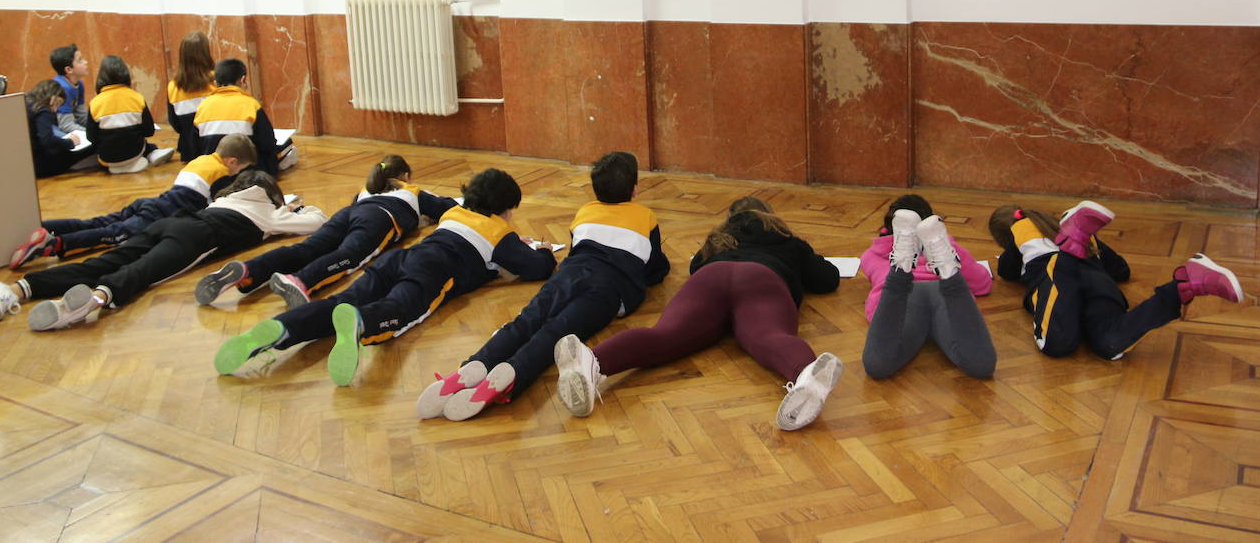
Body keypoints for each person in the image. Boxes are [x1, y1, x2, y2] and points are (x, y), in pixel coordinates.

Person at [212, 168, 555, 386]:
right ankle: (362, 322)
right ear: (505, 208)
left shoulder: (455, 210)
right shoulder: (501, 233)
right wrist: (537, 250)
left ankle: (285, 327)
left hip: (401, 257)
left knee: (339, 302)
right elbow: (538, 268)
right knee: (401, 308)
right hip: (436, 270)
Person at [552, 196, 843, 431]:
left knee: (663, 335)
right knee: (771, 336)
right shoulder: (785, 238)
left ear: (729, 219)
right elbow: (827, 279)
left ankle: (592, 361)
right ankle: (805, 375)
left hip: (710, 277)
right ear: (769, 215)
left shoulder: (719, 236)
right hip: (763, 279)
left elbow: (695, 268)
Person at [418, 151, 668, 422]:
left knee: (527, 319)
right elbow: (655, 270)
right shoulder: (646, 217)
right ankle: (512, 376)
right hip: (607, 288)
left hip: (570, 274)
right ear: (634, 189)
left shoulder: (585, 213)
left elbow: (577, 248)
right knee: (556, 331)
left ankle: (472, 366)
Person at [0, 170, 325, 328]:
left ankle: (14, 290)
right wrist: (291, 210)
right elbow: (317, 221)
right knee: (141, 274)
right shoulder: (270, 215)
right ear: (274, 194)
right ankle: (87, 304)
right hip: (195, 239)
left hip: (172, 223)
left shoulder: (228, 196)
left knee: (108, 259)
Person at [989, 200, 1244, 360]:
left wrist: (1012, 250)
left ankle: (1065, 258)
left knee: (1057, 344)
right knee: (1110, 343)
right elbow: (1121, 270)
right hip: (1098, 283)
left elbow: (1006, 272)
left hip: (1058, 284)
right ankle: (1186, 285)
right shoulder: (1085, 235)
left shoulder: (1020, 236)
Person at [195, 154, 457, 308]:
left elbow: (358, 213)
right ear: (407, 175)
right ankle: (302, 281)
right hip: (380, 219)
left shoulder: (365, 191)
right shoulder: (414, 191)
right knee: (349, 256)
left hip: (347, 213)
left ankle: (251, 270)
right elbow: (448, 208)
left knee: (307, 248)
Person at [9, 134, 257, 268]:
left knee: (101, 221)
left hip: (153, 202)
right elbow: (219, 204)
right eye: (240, 168)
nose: (236, 173)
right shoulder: (222, 174)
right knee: (112, 233)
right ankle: (54, 244)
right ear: (232, 161)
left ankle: (47, 225)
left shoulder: (202, 160)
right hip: (160, 214)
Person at [859, 195, 996, 381]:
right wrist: (953, 248)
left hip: (905, 298)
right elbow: (982, 284)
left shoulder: (872, 254)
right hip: (945, 293)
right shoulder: (952, 246)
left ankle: (901, 266)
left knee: (878, 365)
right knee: (981, 366)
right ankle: (948, 270)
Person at [194, 58, 296, 177]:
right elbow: (267, 143)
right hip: (248, 172)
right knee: (287, 144)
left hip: (213, 171)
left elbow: (196, 145)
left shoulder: (203, 106)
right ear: (242, 80)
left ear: (216, 83)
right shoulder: (251, 105)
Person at [87, 55, 174, 174]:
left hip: (107, 159)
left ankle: (143, 156)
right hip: (135, 153)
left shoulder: (94, 103)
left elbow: (91, 137)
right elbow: (149, 131)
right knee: (138, 138)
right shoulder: (137, 98)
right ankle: (152, 153)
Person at [25, 79, 98, 178]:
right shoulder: (43, 109)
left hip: (28, 163)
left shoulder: (26, 102)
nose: (55, 110)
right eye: (57, 104)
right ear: (52, 97)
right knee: (94, 143)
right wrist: (71, 142)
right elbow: (47, 140)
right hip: (41, 165)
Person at [167, 31, 216, 162]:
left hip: (189, 151)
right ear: (206, 53)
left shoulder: (173, 86)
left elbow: (175, 124)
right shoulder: (216, 81)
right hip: (214, 148)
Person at [49, 43, 89, 134]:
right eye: (80, 60)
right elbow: (65, 125)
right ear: (69, 70)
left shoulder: (79, 84)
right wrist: (91, 134)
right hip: (53, 127)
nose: (86, 62)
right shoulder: (61, 89)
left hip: (66, 124)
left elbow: (82, 115)